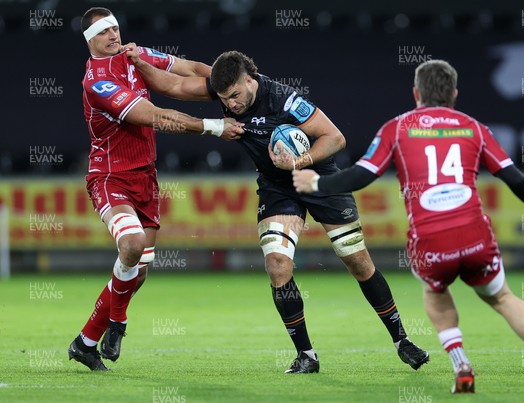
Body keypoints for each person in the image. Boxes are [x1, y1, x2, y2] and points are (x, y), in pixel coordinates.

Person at [130, 50, 429, 373]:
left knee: (356, 259)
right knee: (277, 264)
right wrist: (136, 61)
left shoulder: (285, 100)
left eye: (234, 96)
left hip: (319, 177)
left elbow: (335, 138)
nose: (230, 104)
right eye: (224, 99)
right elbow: (172, 85)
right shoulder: (222, 90)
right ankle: (306, 356)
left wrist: (298, 162)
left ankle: (402, 341)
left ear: (249, 80)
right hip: (276, 186)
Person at [292, 60, 524, 393]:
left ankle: (461, 364)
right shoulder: (474, 127)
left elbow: (363, 175)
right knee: (502, 297)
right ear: (454, 94)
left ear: (416, 93)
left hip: (430, 239)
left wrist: (317, 185)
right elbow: (512, 176)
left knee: (436, 293)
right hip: (475, 233)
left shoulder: (397, 128)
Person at [68, 7, 244, 371]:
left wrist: (234, 85)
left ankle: (85, 343)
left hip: (145, 179)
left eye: (115, 28)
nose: (114, 35)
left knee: (138, 271)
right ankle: (118, 323)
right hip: (110, 177)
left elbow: (191, 71)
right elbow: (156, 117)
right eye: (105, 32)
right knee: (130, 246)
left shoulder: (137, 55)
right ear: (91, 41)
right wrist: (214, 127)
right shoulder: (96, 82)